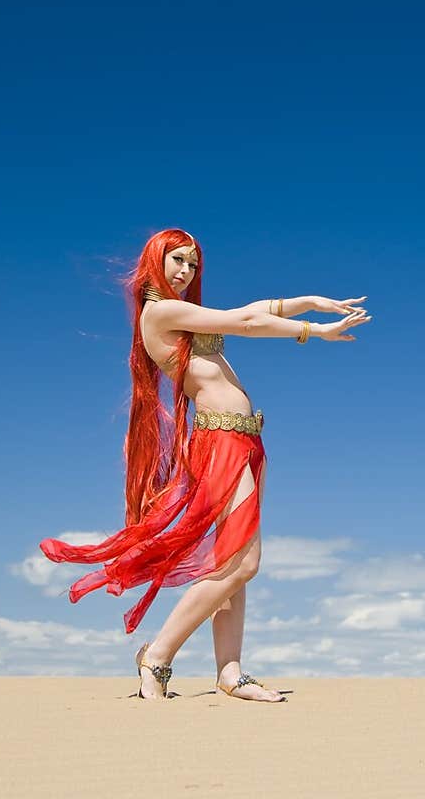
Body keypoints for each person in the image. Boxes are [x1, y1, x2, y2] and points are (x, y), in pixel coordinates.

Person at [39, 228, 371, 702]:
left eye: (193, 264)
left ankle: (230, 673)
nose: (185, 271)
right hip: (221, 440)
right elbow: (247, 323)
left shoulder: (185, 313)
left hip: (245, 439)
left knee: (231, 561)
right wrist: (314, 331)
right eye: (177, 260)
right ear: (156, 259)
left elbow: (255, 310)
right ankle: (157, 655)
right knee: (243, 564)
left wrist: (311, 300)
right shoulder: (162, 312)